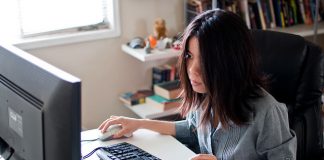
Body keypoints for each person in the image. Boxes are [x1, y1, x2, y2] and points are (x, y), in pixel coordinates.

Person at [99, 9, 297, 160]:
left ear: (229, 62)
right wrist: (139, 124)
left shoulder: (267, 112)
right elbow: (192, 130)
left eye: (205, 61)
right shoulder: (207, 96)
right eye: (189, 56)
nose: (192, 70)